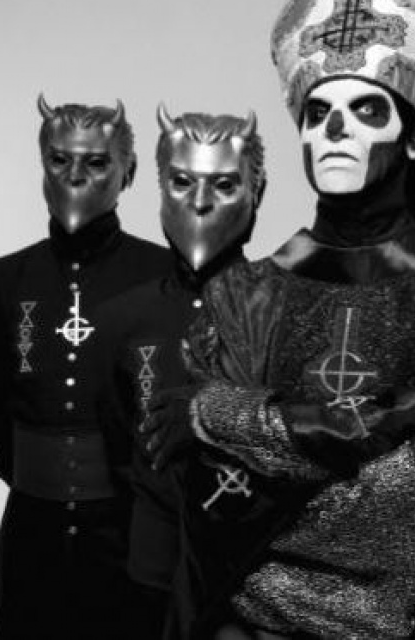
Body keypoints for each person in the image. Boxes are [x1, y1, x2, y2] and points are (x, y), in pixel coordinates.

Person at [141, 0, 415, 639]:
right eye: (317, 114)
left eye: (367, 110)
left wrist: (223, 413)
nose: (336, 130)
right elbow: (213, 500)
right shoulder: (242, 296)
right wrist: (354, 460)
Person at [0, 96, 170, 639]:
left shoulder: (165, 275)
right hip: (34, 533)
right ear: (42, 165)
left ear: (128, 172)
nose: (75, 176)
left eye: (96, 162)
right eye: (59, 160)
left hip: (133, 538)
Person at [94, 106, 266, 637]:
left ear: (257, 191)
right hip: (150, 574)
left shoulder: (287, 307)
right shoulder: (122, 318)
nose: (200, 201)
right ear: (160, 187)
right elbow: (116, 449)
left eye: (224, 184)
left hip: (253, 576)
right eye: (183, 181)